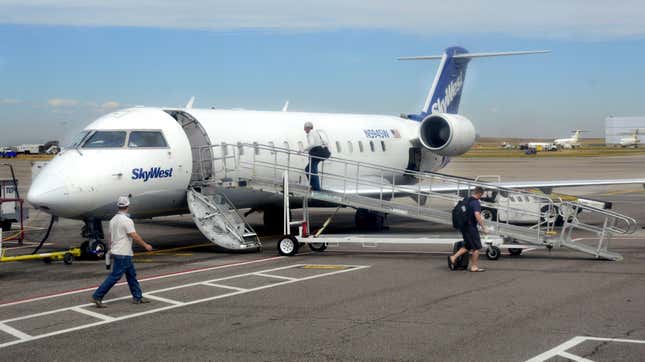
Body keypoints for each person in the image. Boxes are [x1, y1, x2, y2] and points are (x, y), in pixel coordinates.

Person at [92, 196, 153, 308]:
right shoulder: (127, 220)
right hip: (123, 252)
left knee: (131, 275)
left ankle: (137, 297)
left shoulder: (113, 220)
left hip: (119, 251)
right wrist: (145, 245)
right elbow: (133, 235)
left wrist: (111, 249)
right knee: (115, 276)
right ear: (127, 206)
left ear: (118, 206)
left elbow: (110, 236)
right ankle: (97, 296)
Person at [448, 186, 487, 272]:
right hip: (471, 228)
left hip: (464, 227)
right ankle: (474, 267)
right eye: (482, 195)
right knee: (477, 248)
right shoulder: (476, 202)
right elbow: (477, 215)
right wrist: (484, 227)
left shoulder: (466, 200)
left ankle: (453, 257)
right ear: (480, 194)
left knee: (468, 246)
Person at [302, 121, 330, 191]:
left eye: (305, 128)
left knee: (310, 170)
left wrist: (303, 150)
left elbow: (312, 144)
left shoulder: (310, 133)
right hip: (319, 152)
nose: (304, 130)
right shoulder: (316, 132)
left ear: (308, 128)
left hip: (316, 153)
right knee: (311, 169)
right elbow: (324, 142)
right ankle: (315, 186)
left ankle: (316, 187)